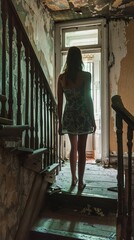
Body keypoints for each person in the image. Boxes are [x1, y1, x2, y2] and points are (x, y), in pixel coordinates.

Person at [57, 46, 96, 192]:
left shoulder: (62, 78)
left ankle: (74, 179)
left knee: (73, 148)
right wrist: (92, 119)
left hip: (69, 115)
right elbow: (88, 99)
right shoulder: (86, 76)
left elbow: (60, 103)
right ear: (79, 59)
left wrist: (60, 122)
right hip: (83, 115)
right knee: (82, 149)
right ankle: (80, 183)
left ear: (68, 59)